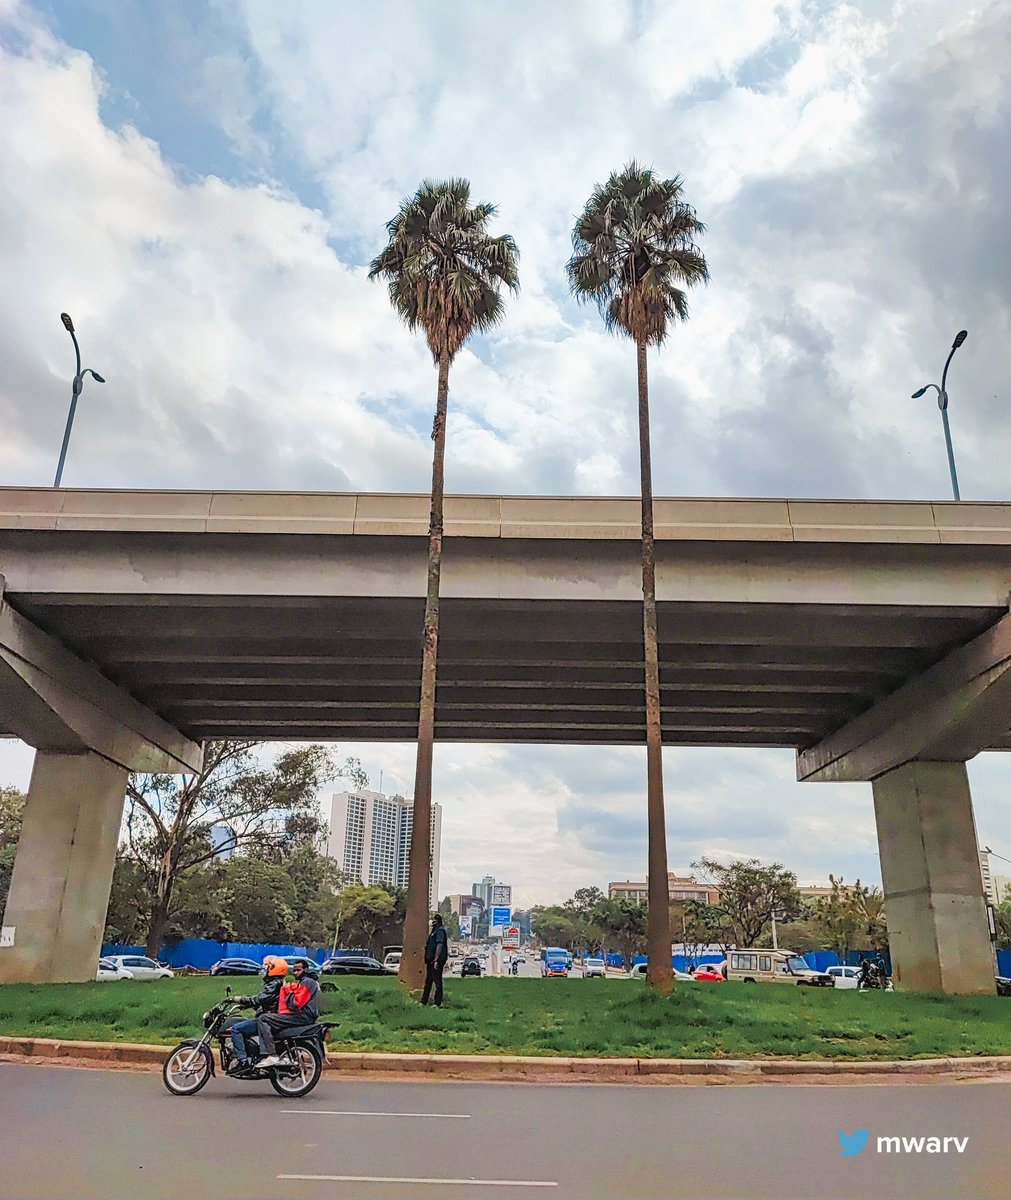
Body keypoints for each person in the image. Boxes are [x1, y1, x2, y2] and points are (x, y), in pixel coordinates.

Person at [227, 955, 287, 1073]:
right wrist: (249, 1005)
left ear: (275, 968)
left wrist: (239, 999)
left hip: (268, 1017)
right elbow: (265, 1001)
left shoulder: (274, 984)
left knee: (236, 1029)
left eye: (267, 967)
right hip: (271, 1015)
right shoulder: (277, 983)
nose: (265, 969)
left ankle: (243, 1061)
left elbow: (260, 999)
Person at [256, 958, 321, 1067]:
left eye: (298, 970)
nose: (295, 973)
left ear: (306, 969)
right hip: (305, 1015)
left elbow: (295, 1004)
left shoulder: (307, 982)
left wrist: (288, 991)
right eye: (294, 970)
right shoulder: (310, 982)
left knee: (264, 1018)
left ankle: (270, 1054)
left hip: (303, 1016)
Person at [422, 913, 449, 1006]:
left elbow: (439, 945)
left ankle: (437, 1002)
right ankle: (423, 1001)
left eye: (433, 920)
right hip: (430, 961)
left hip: (436, 961)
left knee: (437, 981)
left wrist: (436, 960)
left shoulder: (440, 931)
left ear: (437, 921)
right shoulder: (434, 931)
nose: (431, 921)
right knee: (428, 981)